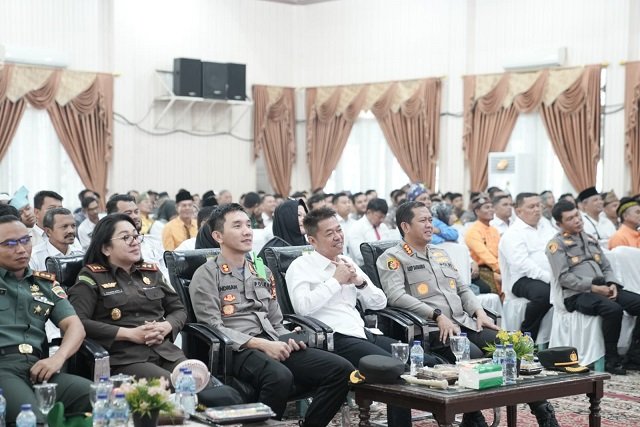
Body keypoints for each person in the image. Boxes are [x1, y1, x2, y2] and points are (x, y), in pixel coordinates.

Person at [376, 202, 558, 427]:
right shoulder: (392, 258)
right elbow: (395, 296)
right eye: (423, 221)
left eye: (430, 220)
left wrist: (479, 312)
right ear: (405, 226)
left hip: (464, 322)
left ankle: (543, 411)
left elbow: (462, 288)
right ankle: (473, 416)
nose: (430, 225)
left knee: (511, 346)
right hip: (431, 329)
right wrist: (436, 315)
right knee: (472, 355)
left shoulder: (440, 253)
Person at [189, 204, 353, 426]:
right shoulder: (206, 274)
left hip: (273, 341)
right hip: (237, 349)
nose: (247, 231)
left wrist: (288, 337)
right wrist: (262, 344)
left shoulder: (261, 270)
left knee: (341, 369)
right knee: (279, 376)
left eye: (248, 225)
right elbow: (213, 326)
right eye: (237, 226)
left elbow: (275, 320)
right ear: (218, 236)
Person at [68, 214, 243, 406]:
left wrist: (166, 326)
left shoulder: (150, 272)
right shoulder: (91, 277)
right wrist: (129, 334)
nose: (135, 242)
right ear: (106, 248)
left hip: (166, 352)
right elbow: (78, 322)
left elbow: (179, 309)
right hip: (126, 359)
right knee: (188, 391)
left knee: (218, 390)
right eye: (126, 237)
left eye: (136, 236)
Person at [287, 207, 430, 427]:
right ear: (312, 240)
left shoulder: (346, 261)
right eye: (329, 233)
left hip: (362, 332)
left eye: (339, 230)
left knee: (426, 362)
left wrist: (359, 283)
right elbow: (302, 308)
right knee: (395, 369)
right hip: (334, 338)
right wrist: (335, 281)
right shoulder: (301, 266)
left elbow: (379, 303)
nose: (338, 237)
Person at [0, 215, 92, 423]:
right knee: (32, 418)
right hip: (3, 368)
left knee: (101, 397)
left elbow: (75, 327)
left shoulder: (45, 284)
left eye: (25, 240)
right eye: (10, 244)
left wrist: (57, 359)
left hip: (38, 370)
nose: (21, 249)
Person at [546, 200, 640, 375]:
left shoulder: (589, 239)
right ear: (559, 224)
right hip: (576, 295)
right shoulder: (556, 245)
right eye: (570, 218)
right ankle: (611, 359)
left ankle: (634, 356)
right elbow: (564, 278)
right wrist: (593, 288)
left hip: (603, 288)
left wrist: (612, 283)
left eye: (577, 215)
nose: (577, 220)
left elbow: (606, 266)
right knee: (613, 309)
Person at [498, 193, 555, 341]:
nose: (537, 209)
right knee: (544, 295)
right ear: (518, 211)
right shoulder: (513, 233)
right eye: (531, 206)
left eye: (539, 205)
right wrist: (548, 277)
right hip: (522, 280)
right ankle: (526, 337)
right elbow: (521, 264)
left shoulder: (546, 226)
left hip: (552, 275)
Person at [106, 194, 169, 281]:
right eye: (128, 213)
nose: (135, 216)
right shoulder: (112, 246)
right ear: (112, 217)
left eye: (136, 212)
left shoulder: (154, 241)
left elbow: (168, 271)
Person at [464, 196, 502, 295]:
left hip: (498, 267)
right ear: (477, 211)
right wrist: (500, 268)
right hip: (483, 270)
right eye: (487, 207)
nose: (491, 210)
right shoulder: (473, 231)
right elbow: (484, 254)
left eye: (491, 207)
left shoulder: (494, 230)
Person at [348, 198, 391, 266]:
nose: (382, 220)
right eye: (379, 217)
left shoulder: (383, 227)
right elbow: (359, 255)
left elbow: (389, 246)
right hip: (364, 268)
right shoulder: (356, 228)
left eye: (384, 217)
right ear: (369, 212)